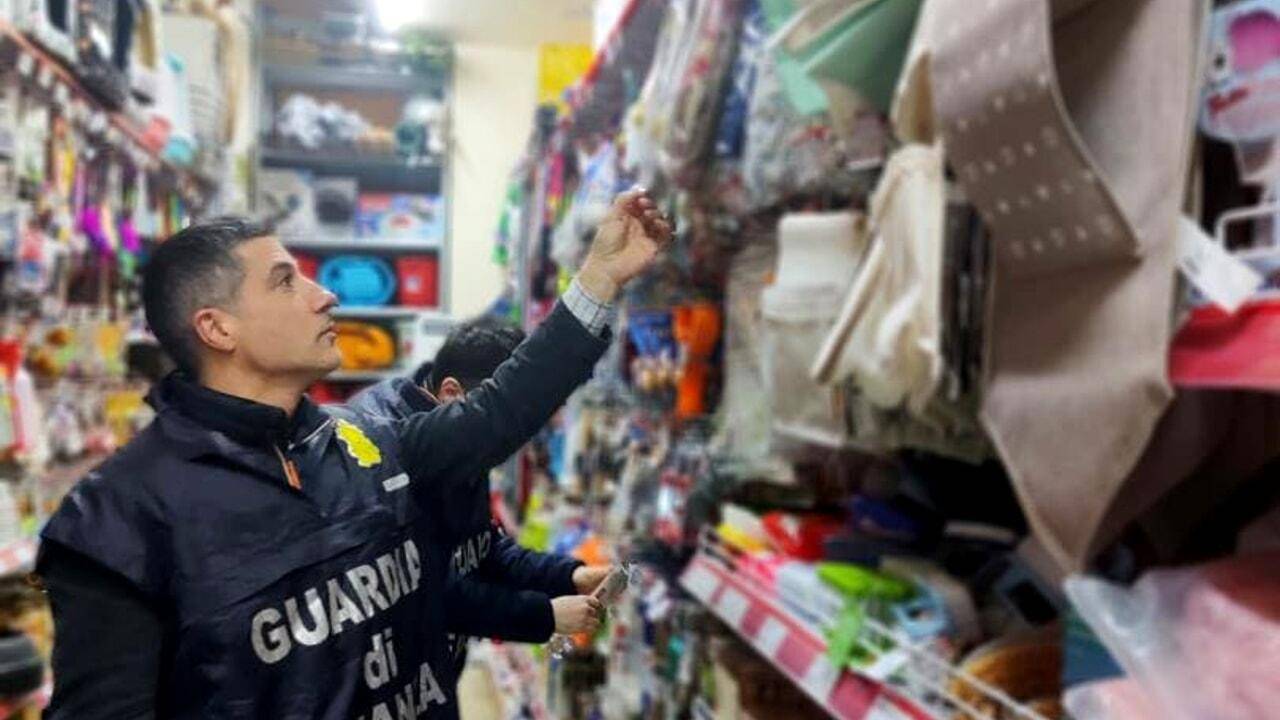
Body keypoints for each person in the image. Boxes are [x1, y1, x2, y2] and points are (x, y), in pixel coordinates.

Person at [36, 190, 671, 719]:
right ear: (217, 327)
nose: (324, 295)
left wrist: (598, 279)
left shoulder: (362, 440)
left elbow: (500, 410)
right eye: (285, 281)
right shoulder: (118, 520)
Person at [348, 317, 611, 678]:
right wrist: (544, 615)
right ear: (452, 393)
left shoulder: (461, 437)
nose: (520, 442)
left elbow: (480, 549)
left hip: (433, 675)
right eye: (512, 425)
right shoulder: (386, 455)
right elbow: (425, 590)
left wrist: (570, 575)